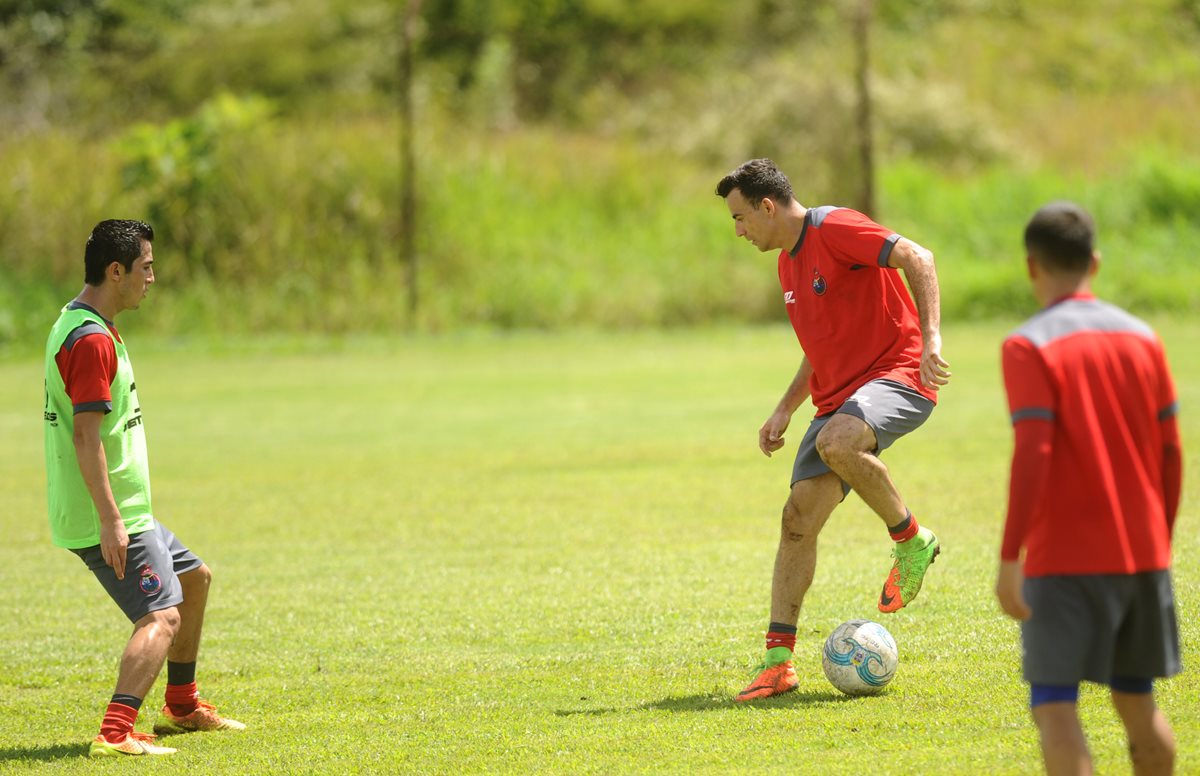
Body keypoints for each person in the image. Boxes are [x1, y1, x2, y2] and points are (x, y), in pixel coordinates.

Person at [714, 158, 951, 702]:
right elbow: (817, 348)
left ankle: (911, 539)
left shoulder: (836, 227)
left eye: (740, 218)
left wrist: (933, 338)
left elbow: (919, 255)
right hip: (839, 398)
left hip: (900, 375)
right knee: (797, 519)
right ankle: (778, 664)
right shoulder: (787, 267)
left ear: (767, 206)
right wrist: (784, 408)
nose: (739, 231)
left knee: (837, 441)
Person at [43, 219, 244, 757]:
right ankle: (114, 733)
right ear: (116, 271)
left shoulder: (85, 321)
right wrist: (110, 520)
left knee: (193, 578)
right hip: (109, 514)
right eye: (146, 267)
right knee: (160, 617)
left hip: (125, 508)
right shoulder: (89, 341)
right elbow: (86, 436)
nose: (152, 278)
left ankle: (180, 705)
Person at [996, 202, 1182, 775]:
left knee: (1055, 709)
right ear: (1094, 262)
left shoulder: (1028, 346)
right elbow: (1171, 455)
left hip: (1065, 561)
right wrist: (1159, 540)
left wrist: (1010, 556)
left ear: (1032, 268)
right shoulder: (1144, 338)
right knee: (1136, 699)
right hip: (1143, 554)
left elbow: (1035, 453)